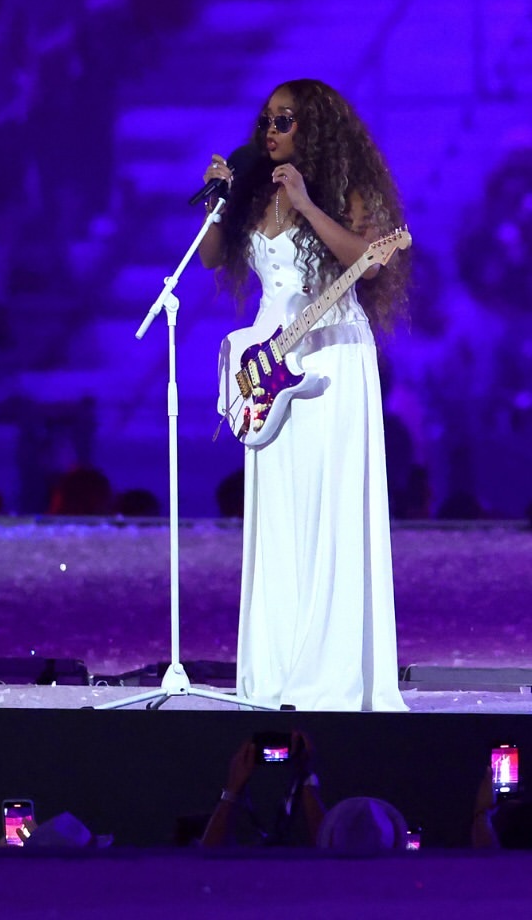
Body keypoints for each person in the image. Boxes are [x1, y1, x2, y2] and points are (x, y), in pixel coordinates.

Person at [199, 79, 408, 713]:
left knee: (328, 507)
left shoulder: (346, 188)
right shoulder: (254, 187)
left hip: (332, 356)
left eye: (285, 120)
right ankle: (278, 669)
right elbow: (210, 259)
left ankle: (330, 675)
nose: (271, 130)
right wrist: (218, 202)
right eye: (267, 119)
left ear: (312, 127)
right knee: (279, 515)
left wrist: (309, 205)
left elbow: (369, 261)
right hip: (270, 365)